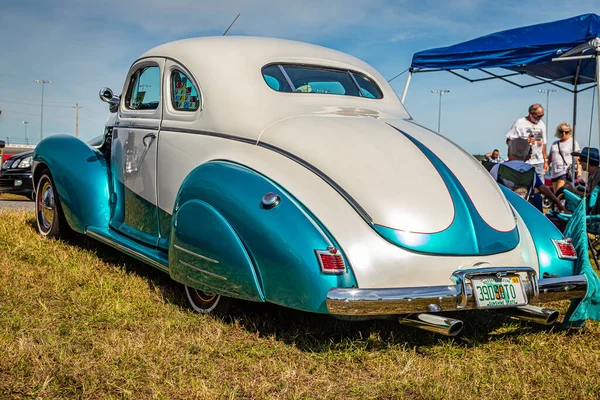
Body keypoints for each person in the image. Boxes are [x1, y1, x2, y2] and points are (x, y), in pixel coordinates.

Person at [490, 138, 564, 212]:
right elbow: (543, 189)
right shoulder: (531, 171)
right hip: (523, 210)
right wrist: (558, 203)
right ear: (527, 153)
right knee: (537, 197)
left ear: (509, 151)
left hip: (503, 209)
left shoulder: (498, 168)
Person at [506, 104, 547, 181]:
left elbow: (543, 143)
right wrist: (524, 141)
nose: (540, 118)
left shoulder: (542, 124)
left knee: (540, 185)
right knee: (524, 186)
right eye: (538, 116)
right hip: (524, 161)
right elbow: (509, 141)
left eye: (542, 115)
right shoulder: (520, 123)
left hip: (538, 161)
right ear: (531, 113)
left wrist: (546, 160)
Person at [562, 147, 600, 213]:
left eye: (580, 160)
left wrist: (573, 190)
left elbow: (591, 196)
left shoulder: (598, 176)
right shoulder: (591, 176)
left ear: (588, 161)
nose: (579, 163)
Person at [547, 122, 581, 192]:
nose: (563, 133)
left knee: (559, 192)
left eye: (566, 132)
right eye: (561, 131)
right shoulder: (555, 144)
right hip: (554, 172)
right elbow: (550, 157)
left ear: (569, 132)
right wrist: (546, 166)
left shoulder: (572, 142)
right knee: (556, 193)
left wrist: (579, 169)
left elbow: (577, 157)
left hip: (565, 171)